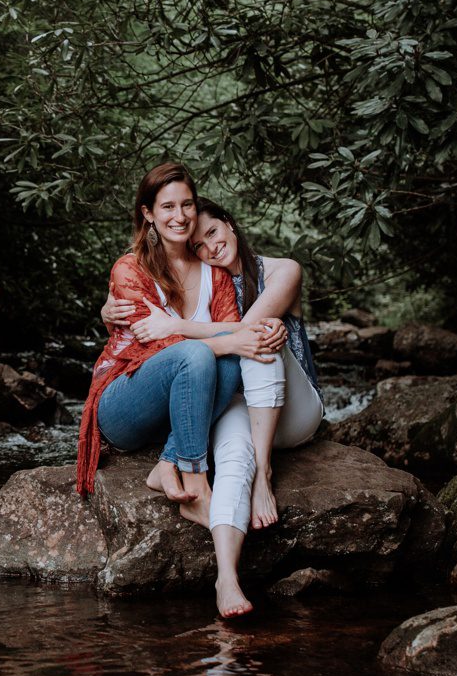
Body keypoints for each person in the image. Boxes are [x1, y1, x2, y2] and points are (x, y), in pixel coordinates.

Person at [77, 162, 285, 618]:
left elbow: (233, 328)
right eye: (167, 206)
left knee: (226, 357)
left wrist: (239, 338)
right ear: (148, 214)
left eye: (187, 204)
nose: (180, 215)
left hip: (179, 407)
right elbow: (161, 345)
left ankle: (168, 460)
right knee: (203, 353)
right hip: (125, 403)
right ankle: (194, 476)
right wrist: (227, 338)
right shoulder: (130, 270)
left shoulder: (212, 270)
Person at [102, 199, 323, 536]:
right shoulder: (209, 281)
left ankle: (263, 473)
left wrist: (174, 327)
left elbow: (247, 331)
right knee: (230, 462)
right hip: (239, 408)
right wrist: (108, 309)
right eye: (199, 246)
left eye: (213, 232)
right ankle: (221, 547)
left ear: (229, 223)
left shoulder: (283, 270)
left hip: (292, 409)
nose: (211, 247)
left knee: (259, 335)